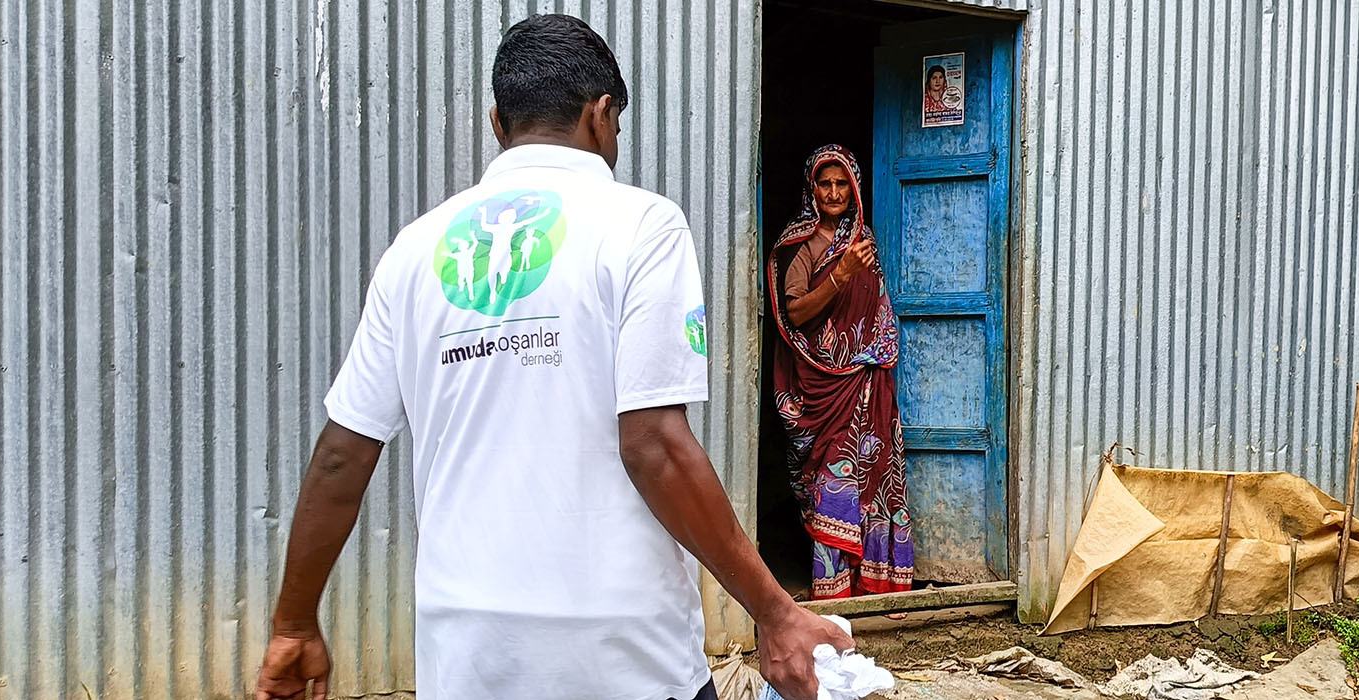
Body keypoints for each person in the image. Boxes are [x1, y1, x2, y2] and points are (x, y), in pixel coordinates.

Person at [254, 14, 850, 700]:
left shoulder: (414, 251)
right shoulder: (642, 226)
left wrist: (294, 623)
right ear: (601, 116)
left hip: (468, 652)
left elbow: (340, 455)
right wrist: (774, 612)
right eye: (618, 129)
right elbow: (653, 444)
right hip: (621, 651)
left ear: (496, 121)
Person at [769, 145, 914, 600]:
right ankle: (831, 589)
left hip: (867, 384)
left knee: (870, 480)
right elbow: (794, 314)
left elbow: (874, 309)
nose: (833, 193)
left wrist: (874, 352)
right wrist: (842, 272)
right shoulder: (801, 245)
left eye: (841, 185)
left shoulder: (863, 239)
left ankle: (872, 580)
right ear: (811, 189)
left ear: (853, 192)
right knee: (831, 480)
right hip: (821, 386)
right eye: (824, 183)